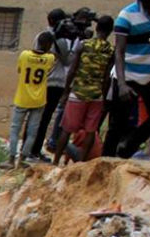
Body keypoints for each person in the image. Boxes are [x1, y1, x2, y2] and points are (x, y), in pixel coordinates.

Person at [54, 15, 116, 163]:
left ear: (97, 28)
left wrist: (66, 92)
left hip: (78, 93)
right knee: (91, 131)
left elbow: (73, 70)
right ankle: (81, 164)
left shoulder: (83, 45)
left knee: (67, 128)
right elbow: (107, 76)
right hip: (96, 95)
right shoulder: (110, 50)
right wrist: (103, 95)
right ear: (110, 31)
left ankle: (55, 162)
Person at [2, 32, 57, 169]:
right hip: (39, 100)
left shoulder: (24, 55)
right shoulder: (50, 58)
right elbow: (49, 67)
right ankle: (22, 159)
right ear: (49, 45)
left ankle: (10, 160)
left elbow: (20, 70)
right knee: (32, 132)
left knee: (15, 130)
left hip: (22, 98)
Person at [113, 0, 150, 159]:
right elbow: (119, 51)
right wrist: (122, 83)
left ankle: (127, 149)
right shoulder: (126, 15)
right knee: (117, 125)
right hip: (128, 74)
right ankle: (107, 160)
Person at [32, 9, 75, 159]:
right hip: (55, 83)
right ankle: (35, 151)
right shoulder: (60, 40)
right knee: (44, 118)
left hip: (41, 81)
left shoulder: (40, 37)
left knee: (37, 117)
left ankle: (29, 150)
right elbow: (68, 61)